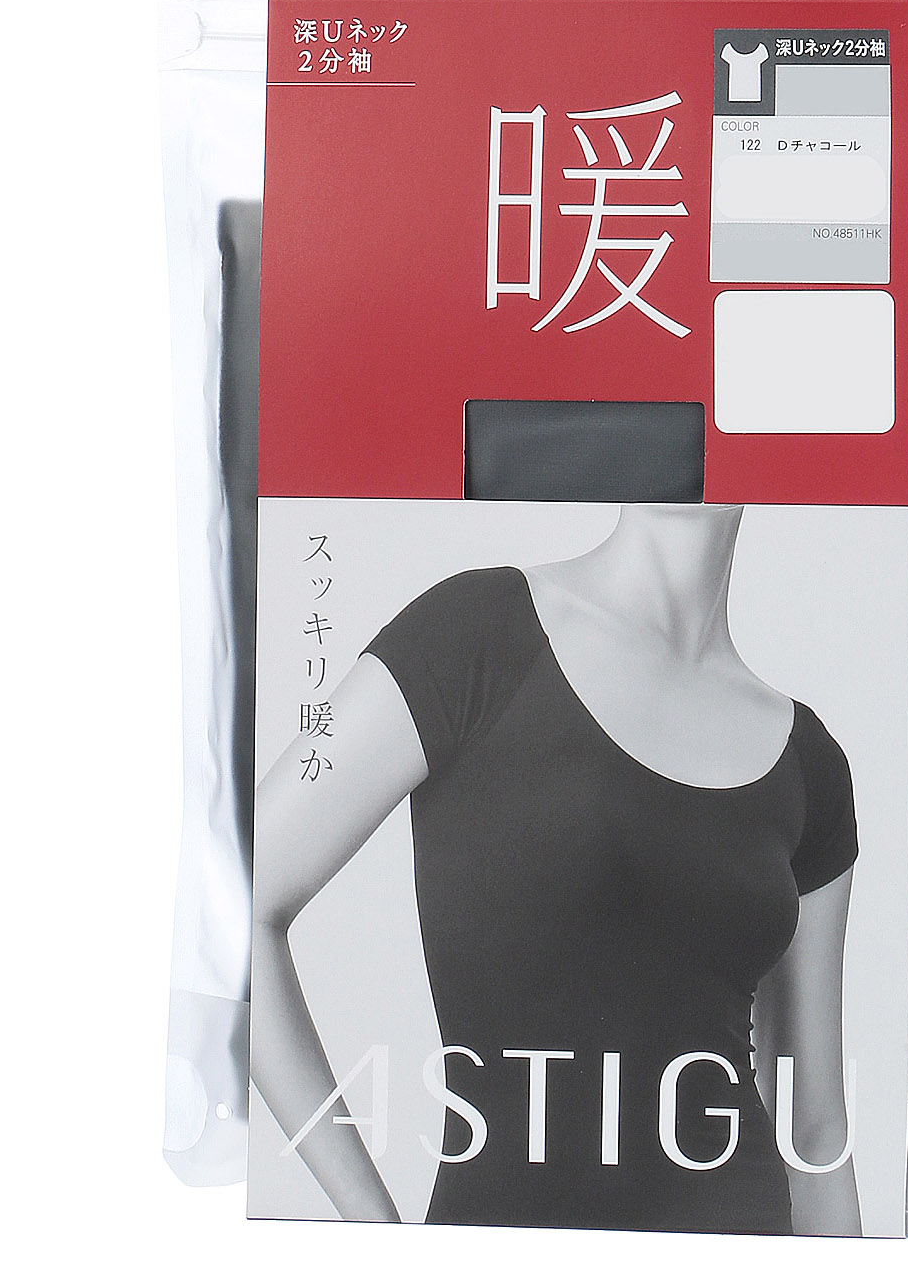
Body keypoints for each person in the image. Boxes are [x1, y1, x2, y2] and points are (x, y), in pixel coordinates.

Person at [251, 504, 861, 1234]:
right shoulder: (478, 635)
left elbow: (814, 1123)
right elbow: (241, 903)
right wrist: (372, 1230)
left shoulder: (810, 763)